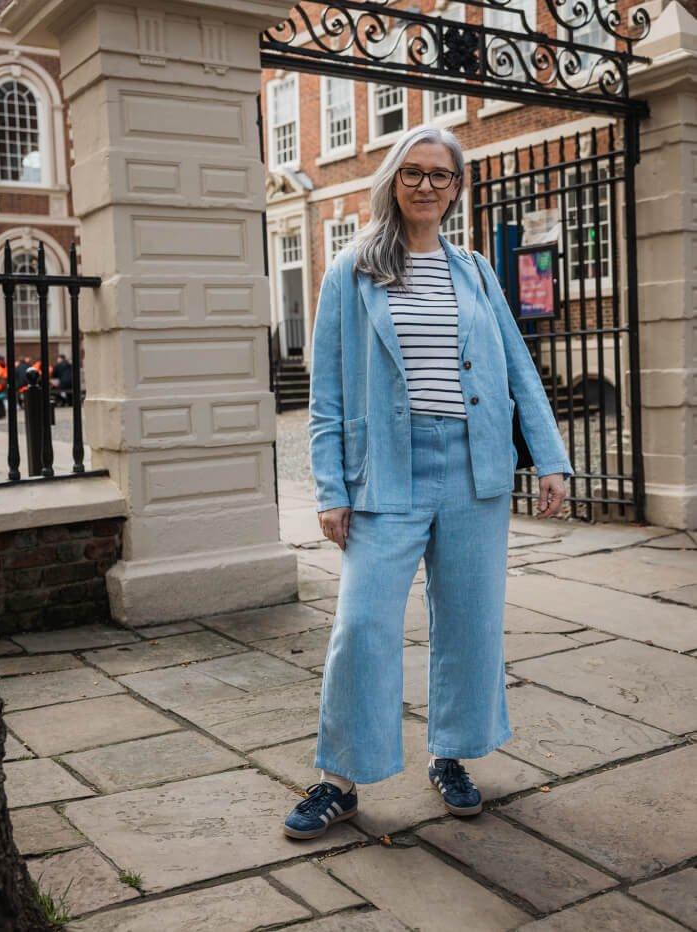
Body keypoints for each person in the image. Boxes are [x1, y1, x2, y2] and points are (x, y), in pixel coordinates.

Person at [283, 125, 574, 840]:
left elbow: (518, 370)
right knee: (362, 624)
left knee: (470, 624)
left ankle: (451, 755)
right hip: (386, 471)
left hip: (473, 469)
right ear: (391, 180)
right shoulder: (351, 271)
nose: (425, 185)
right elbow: (328, 394)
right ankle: (341, 779)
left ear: (456, 187)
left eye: (440, 175)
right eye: (412, 172)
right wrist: (331, 488)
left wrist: (552, 459)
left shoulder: (474, 271)